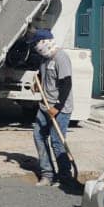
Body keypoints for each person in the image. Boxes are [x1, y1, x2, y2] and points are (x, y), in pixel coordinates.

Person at [30, 29, 75, 187]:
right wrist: (38, 83)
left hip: (60, 108)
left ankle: (65, 177)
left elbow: (66, 84)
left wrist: (57, 107)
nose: (36, 47)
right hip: (44, 106)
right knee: (38, 136)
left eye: (36, 43)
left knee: (57, 141)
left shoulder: (61, 57)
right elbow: (43, 76)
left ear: (44, 42)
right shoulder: (44, 59)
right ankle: (47, 174)